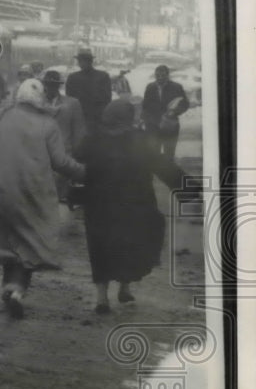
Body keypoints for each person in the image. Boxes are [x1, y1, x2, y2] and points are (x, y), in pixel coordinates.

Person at [0, 79, 85, 319]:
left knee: (7, 241)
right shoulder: (48, 123)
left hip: (1, 188)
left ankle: (9, 286)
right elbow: (60, 161)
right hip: (33, 191)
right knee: (30, 241)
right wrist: (84, 172)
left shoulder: (3, 116)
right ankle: (17, 290)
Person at [75, 99, 193, 314]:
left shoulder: (94, 138)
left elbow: (76, 157)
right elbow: (163, 165)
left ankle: (102, 299)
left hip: (100, 205)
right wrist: (190, 189)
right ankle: (125, 287)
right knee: (129, 244)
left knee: (100, 247)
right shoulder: (140, 139)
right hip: (134, 204)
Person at [41, 69, 86, 204]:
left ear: (59, 86)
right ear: (44, 85)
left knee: (60, 197)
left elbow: (79, 131)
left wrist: (76, 154)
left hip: (63, 155)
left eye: (54, 85)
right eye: (48, 84)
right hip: (40, 154)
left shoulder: (72, 104)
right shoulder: (36, 103)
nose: (51, 88)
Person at [141, 65, 189, 159]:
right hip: (153, 126)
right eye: (157, 75)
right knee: (153, 155)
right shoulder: (150, 87)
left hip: (170, 125)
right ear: (155, 75)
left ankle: (169, 171)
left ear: (168, 75)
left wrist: (175, 112)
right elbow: (145, 105)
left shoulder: (176, 87)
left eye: (163, 75)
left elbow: (185, 104)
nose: (160, 78)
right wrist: (143, 119)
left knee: (169, 154)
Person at [64, 47, 113, 134]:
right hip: (89, 118)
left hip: (91, 119)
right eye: (80, 61)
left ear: (90, 61)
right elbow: (69, 99)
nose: (80, 63)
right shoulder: (103, 76)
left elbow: (107, 99)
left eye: (82, 60)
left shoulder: (73, 77)